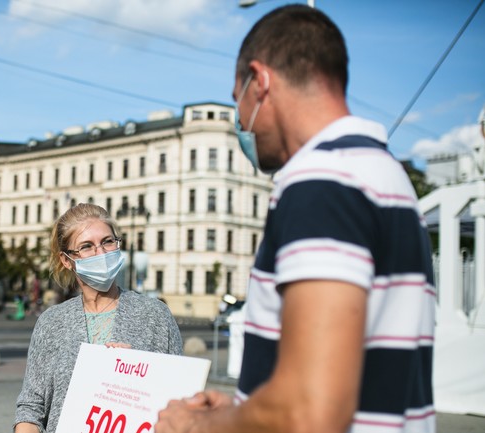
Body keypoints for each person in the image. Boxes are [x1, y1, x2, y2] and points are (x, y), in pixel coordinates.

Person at [155, 5, 435, 433]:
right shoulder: (384, 173)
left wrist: (197, 427)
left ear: (259, 81)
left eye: (237, 100)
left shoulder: (321, 182)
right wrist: (240, 411)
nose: (241, 121)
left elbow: (310, 409)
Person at [14, 203, 183, 433]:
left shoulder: (155, 315)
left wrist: (138, 372)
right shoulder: (51, 322)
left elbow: (178, 398)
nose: (101, 254)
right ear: (67, 260)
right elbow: (31, 407)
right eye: (87, 246)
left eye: (107, 241)